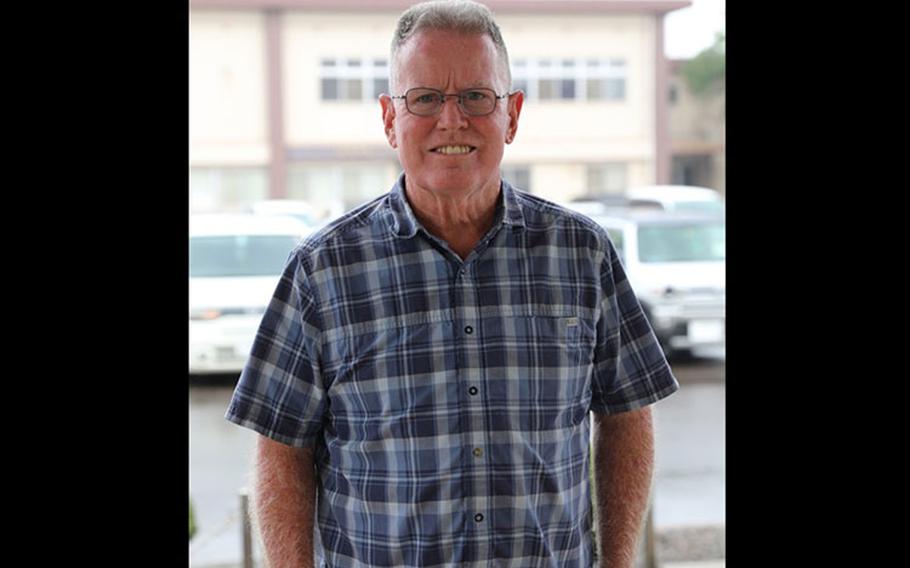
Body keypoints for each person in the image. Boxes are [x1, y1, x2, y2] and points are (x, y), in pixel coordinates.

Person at [224, 1, 679, 566]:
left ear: (511, 115)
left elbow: (628, 416)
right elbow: (280, 448)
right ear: (390, 118)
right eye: (425, 98)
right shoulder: (323, 270)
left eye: (475, 96)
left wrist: (615, 562)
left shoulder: (582, 254)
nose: (452, 119)